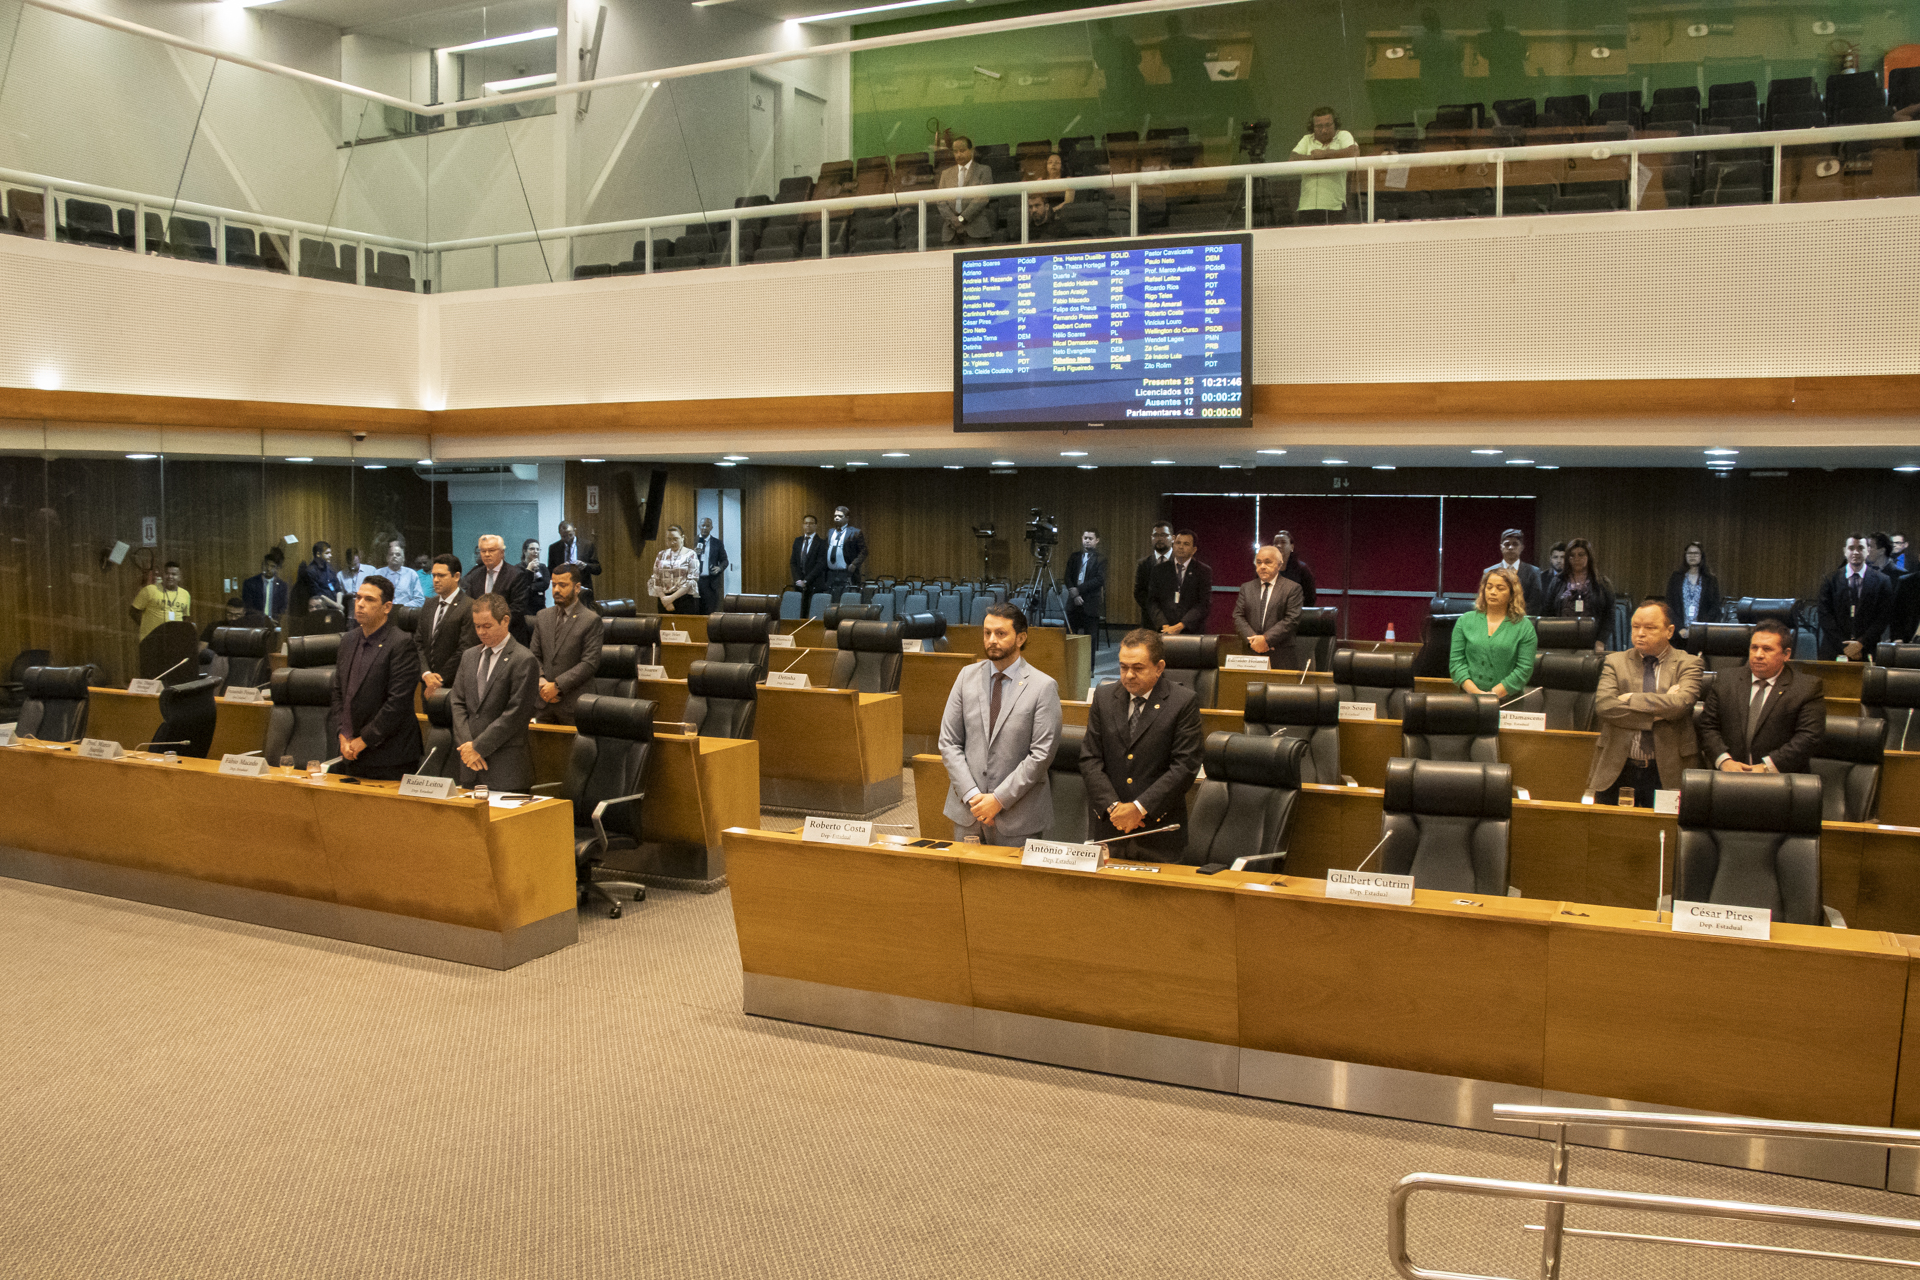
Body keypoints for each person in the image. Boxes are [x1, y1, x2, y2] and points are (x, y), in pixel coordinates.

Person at [937, 602, 1063, 844]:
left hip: (1018, 816)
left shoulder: (1043, 686)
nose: (991, 640)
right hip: (969, 812)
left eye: (1000, 633)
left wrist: (997, 800)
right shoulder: (966, 677)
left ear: (1021, 638)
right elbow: (949, 742)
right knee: (968, 881)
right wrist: (974, 797)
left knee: (1012, 883)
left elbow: (1041, 755)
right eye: (987, 633)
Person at [1078, 629, 1204, 862]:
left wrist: (1138, 807)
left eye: (1138, 668)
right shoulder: (1104, 697)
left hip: (1158, 831)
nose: (1128, 675)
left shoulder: (1182, 702)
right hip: (1109, 827)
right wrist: (1114, 807)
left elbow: (1185, 765)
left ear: (1159, 667)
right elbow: (1090, 758)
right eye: (1123, 667)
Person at [1585, 600, 1702, 807]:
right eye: (1635, 626)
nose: (1640, 633)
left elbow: (1681, 705)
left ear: (1669, 631)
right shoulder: (1615, 662)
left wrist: (1630, 698)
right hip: (1618, 767)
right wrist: (1663, 707)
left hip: (1667, 769)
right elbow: (1604, 706)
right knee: (1609, 834)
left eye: (1650, 627)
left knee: (1664, 834)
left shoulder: (1689, 663)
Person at [327, 574, 423, 782]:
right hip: (351, 754)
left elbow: (397, 703)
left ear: (387, 607)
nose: (360, 604)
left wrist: (364, 740)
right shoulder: (348, 640)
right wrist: (343, 734)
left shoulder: (401, 643)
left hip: (390, 757)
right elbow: (338, 693)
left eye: (369, 600)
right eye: (358, 597)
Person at [1699, 621, 1825, 775]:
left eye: (1767, 649)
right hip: (1729, 778)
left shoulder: (1806, 688)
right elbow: (1708, 726)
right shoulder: (1726, 680)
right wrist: (1724, 761)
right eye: (1754, 648)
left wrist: (1767, 767)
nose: (1758, 655)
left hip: (1781, 782)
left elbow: (1808, 738)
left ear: (1786, 654)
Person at [447, 592, 540, 793]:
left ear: (505, 620)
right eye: (477, 626)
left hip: (505, 768)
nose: (481, 632)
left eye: (487, 626)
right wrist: (467, 746)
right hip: (469, 764)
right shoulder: (469, 656)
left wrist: (478, 747)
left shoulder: (524, 660)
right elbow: (457, 702)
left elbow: (515, 714)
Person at [529, 563, 605, 725]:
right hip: (543, 701)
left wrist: (557, 686)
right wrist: (541, 682)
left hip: (575, 703)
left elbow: (589, 663)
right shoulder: (542, 616)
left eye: (563, 585)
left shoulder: (591, 620)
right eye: (554, 585)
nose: (556, 590)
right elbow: (533, 655)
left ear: (577, 587)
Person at [1449, 566, 1536, 697]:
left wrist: (1493, 695)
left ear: (1512, 593)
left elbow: (1524, 669)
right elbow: (1456, 662)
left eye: (1500, 588)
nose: (1493, 592)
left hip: (1508, 700)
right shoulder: (1465, 621)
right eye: (1489, 587)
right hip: (1469, 698)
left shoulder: (1524, 626)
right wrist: (1476, 693)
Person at [1816, 534, 1895, 660]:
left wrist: (1860, 643)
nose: (1856, 552)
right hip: (1834, 650)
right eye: (1851, 548)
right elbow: (1825, 615)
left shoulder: (1883, 581)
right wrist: (1845, 647)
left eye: (1860, 548)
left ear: (1867, 551)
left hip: (1867, 650)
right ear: (1845, 551)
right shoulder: (1830, 579)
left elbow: (1883, 617)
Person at [1232, 544, 1304, 667]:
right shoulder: (1246, 588)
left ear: (1279, 565)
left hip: (1280, 656)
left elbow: (1291, 619)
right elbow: (1238, 616)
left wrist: (1266, 639)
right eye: (1259, 562)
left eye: (1267, 562)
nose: (1262, 567)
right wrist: (1254, 641)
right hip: (1251, 654)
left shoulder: (1292, 588)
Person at [416, 554, 478, 694]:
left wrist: (439, 679)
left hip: (453, 686)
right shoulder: (429, 605)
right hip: (427, 683)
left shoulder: (469, 606)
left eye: (441, 575)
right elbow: (419, 642)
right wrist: (426, 674)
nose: (436, 580)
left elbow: (465, 649)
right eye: (434, 575)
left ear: (456, 576)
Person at [1287, 107, 1357, 225]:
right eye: (1319, 126)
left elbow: (1354, 152)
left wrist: (1326, 154)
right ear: (1312, 127)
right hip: (1306, 207)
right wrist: (1313, 158)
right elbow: (1292, 159)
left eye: (1328, 125)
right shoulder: (1307, 139)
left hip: (1335, 207)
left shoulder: (1343, 136)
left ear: (1335, 124)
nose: (1324, 130)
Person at [461, 534, 534, 643]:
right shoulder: (474, 575)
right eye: (483, 551)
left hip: (509, 637)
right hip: (481, 638)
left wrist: (491, 623)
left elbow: (518, 608)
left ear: (502, 553)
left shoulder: (516, 574)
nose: (486, 554)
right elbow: (469, 604)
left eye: (491, 550)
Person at [1544, 538, 1614, 643]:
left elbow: (1609, 616)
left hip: (1593, 640)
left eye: (1581, 555)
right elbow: (1547, 611)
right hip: (1561, 637)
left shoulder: (1602, 583)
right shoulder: (1558, 581)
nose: (1576, 558)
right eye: (1572, 555)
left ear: (1589, 557)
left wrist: (1601, 640)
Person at [1147, 529, 1211, 635]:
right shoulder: (1159, 570)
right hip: (1164, 630)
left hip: (1190, 631)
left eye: (1186, 544)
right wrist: (1164, 625)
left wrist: (1182, 625)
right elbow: (1152, 601)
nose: (1181, 547)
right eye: (1178, 543)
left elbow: (1203, 604)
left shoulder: (1203, 571)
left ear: (1194, 550)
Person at [937, 135, 995, 244]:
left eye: (962, 151)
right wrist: (953, 220)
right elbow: (940, 201)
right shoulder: (945, 174)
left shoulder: (983, 170)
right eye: (955, 151)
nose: (958, 154)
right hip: (950, 231)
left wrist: (962, 218)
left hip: (975, 229)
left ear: (971, 150)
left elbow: (982, 197)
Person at [1664, 541, 1723, 640]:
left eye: (1696, 553)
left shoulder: (1710, 580)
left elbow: (1714, 608)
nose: (1692, 556)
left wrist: (1698, 629)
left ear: (1701, 556)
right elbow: (1670, 605)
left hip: (1701, 633)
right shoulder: (1676, 578)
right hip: (1679, 632)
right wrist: (1679, 628)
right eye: (1689, 553)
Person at [1484, 528, 1544, 615]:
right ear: (1501, 547)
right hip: (1495, 620)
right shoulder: (1489, 572)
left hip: (1523, 622)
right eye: (1507, 544)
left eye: (1515, 544)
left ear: (1522, 547)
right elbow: (1485, 599)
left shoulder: (1534, 572)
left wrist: (1517, 620)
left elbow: (1535, 603)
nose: (1511, 547)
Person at [129, 561, 191, 641]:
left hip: (174, 641)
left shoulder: (185, 594)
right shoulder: (149, 590)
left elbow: (185, 617)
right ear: (163, 575)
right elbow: (133, 612)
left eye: (174, 574)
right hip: (151, 640)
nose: (170, 576)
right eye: (167, 573)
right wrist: (147, 628)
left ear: (179, 577)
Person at [648, 524, 701, 615]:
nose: (672, 542)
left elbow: (692, 580)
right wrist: (664, 599)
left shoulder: (690, 554)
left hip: (684, 599)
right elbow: (656, 579)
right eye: (669, 539)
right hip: (664, 601)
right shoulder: (661, 554)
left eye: (675, 539)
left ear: (682, 538)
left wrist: (671, 598)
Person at [1064, 529, 1106, 641]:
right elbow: (1067, 577)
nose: (1087, 541)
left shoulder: (1101, 559)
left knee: (1089, 640)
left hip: (1090, 604)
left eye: (1090, 539)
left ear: (1097, 540)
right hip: (1073, 603)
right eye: (1085, 538)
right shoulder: (1074, 556)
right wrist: (1075, 595)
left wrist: (1078, 590)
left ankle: (1089, 659)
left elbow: (1099, 579)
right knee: (1069, 639)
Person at [1132, 522, 1174, 625]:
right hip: (1150, 620)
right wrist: (1156, 612)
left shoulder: (1181, 561)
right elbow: (1139, 593)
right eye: (1155, 535)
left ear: (1173, 538)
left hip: (1175, 620)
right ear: (1151, 538)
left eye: (1164, 535)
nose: (1159, 538)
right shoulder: (1143, 564)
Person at [548, 522, 601, 603]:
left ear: (574, 531)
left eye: (570, 535)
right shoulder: (554, 548)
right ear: (559, 534)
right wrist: (559, 569)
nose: (567, 538)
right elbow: (550, 571)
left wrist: (585, 565)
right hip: (563, 591)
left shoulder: (587, 545)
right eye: (564, 536)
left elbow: (597, 569)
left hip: (583, 590)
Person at [824, 506, 868, 597]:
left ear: (847, 518)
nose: (836, 518)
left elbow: (864, 551)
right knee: (830, 600)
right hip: (830, 574)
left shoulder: (855, 532)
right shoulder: (830, 532)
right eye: (835, 516)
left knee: (846, 600)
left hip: (846, 573)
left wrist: (855, 564)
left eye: (840, 516)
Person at [790, 513, 828, 615]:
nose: (808, 525)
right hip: (799, 586)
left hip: (814, 585)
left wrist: (806, 581)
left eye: (811, 523)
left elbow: (820, 565)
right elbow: (793, 562)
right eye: (806, 523)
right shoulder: (797, 541)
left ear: (815, 525)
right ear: (803, 525)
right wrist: (798, 580)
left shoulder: (822, 543)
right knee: (799, 614)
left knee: (813, 615)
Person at [199, 596, 269, 647]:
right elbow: (202, 649)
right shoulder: (214, 627)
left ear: (244, 613)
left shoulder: (250, 631)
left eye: (237, 615)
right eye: (229, 614)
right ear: (225, 612)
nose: (233, 618)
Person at [1271, 530, 1317, 605]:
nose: (1278, 545)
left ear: (1291, 547)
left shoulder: (1302, 569)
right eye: (1276, 543)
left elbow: (1310, 598)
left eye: (1283, 542)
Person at [694, 516, 730, 613]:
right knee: (696, 611)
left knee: (710, 612)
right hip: (696, 582)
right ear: (699, 526)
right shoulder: (693, 541)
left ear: (711, 528)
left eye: (707, 526)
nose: (705, 528)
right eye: (703, 525)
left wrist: (719, 568)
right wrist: (693, 553)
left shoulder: (717, 543)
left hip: (711, 583)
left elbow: (725, 560)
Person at [296, 542, 343, 615]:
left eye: (330, 553)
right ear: (318, 554)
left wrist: (338, 605)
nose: (331, 555)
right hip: (321, 610)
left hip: (336, 609)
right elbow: (318, 595)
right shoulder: (310, 571)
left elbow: (338, 589)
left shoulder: (330, 568)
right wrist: (336, 606)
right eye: (327, 553)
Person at [242, 549, 289, 620]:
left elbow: (283, 606)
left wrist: (276, 618)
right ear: (262, 565)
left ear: (277, 569)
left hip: (275, 622)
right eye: (266, 565)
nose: (268, 568)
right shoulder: (250, 583)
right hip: (255, 621)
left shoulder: (282, 586)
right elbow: (248, 606)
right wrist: (262, 619)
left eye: (272, 566)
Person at [381, 541, 423, 608]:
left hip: (404, 614)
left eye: (398, 555)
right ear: (387, 558)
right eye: (391, 554)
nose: (394, 556)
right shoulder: (378, 573)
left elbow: (420, 600)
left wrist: (401, 608)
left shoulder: (411, 574)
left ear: (403, 559)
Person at [520, 538, 550, 611]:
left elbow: (545, 584)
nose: (535, 551)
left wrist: (531, 587)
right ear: (525, 551)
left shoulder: (542, 567)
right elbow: (521, 586)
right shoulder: (518, 568)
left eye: (538, 549)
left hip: (540, 605)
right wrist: (529, 570)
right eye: (532, 549)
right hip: (525, 607)